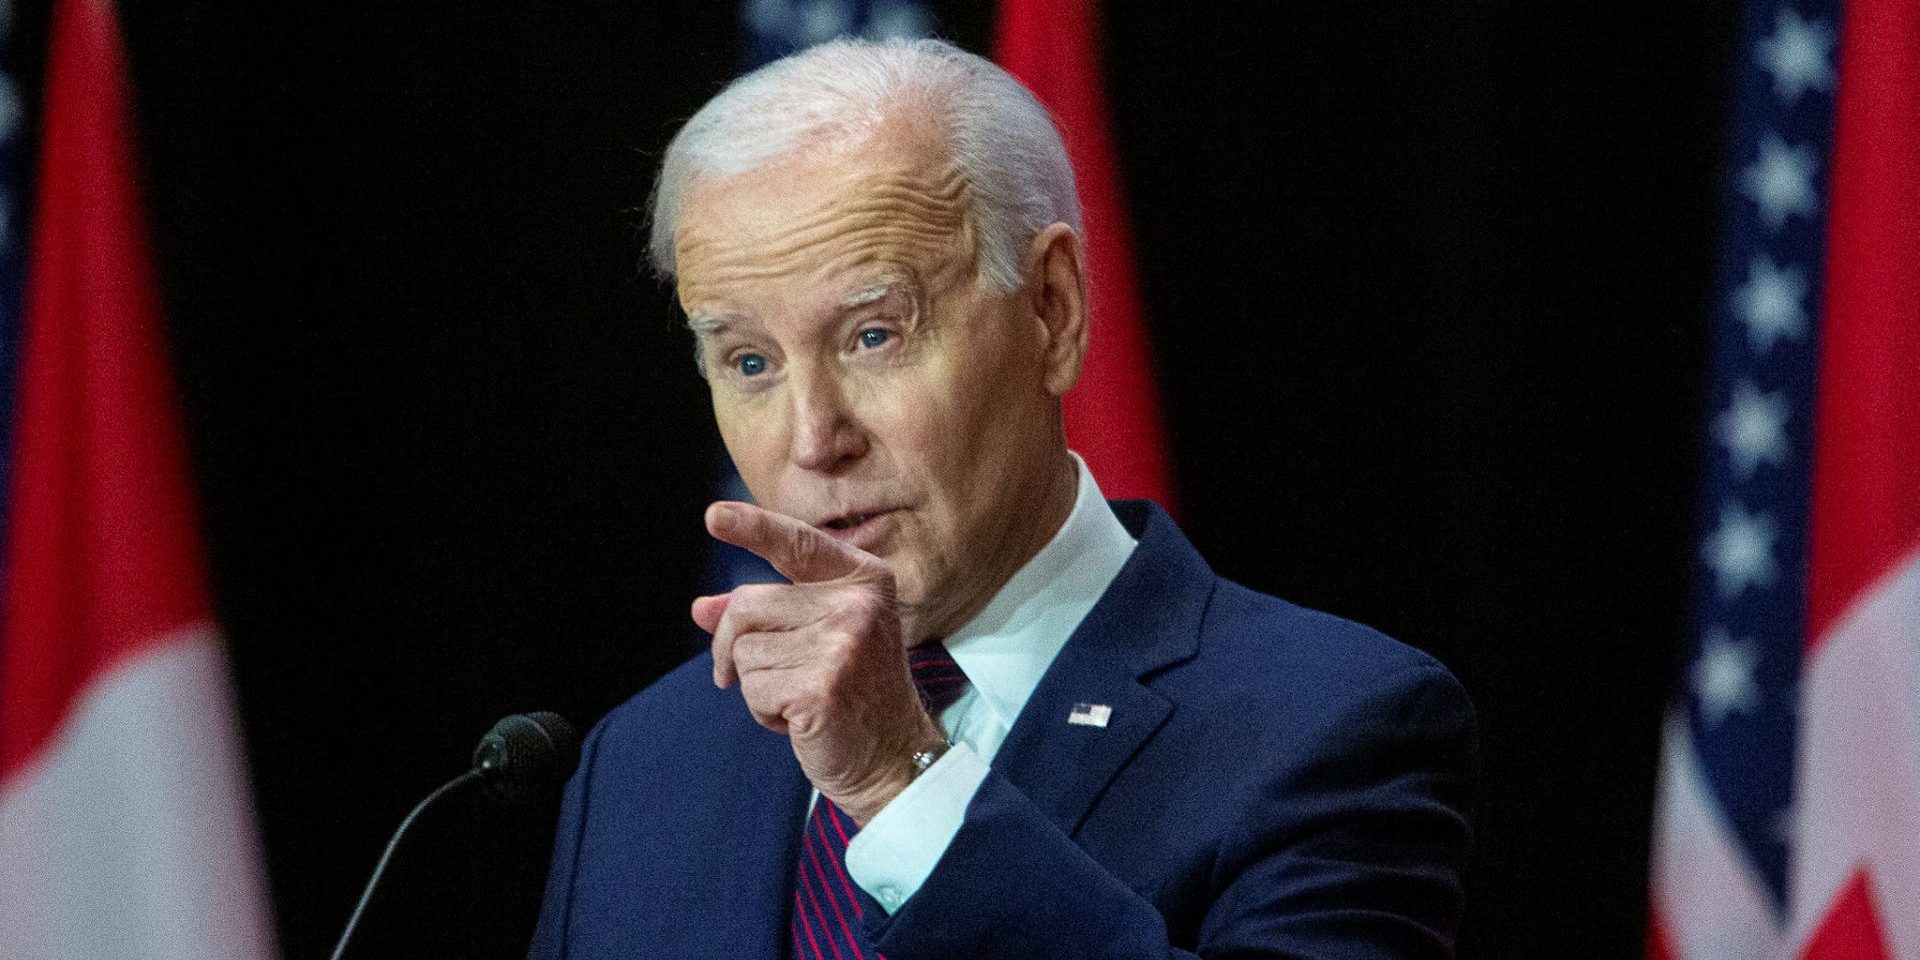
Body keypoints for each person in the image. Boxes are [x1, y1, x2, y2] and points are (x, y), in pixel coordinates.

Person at [529, 37, 1476, 960]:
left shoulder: (1331, 726)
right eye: (749, 362)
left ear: (1051, 310)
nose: (815, 438)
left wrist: (901, 785)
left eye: (872, 336)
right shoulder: (644, 769)